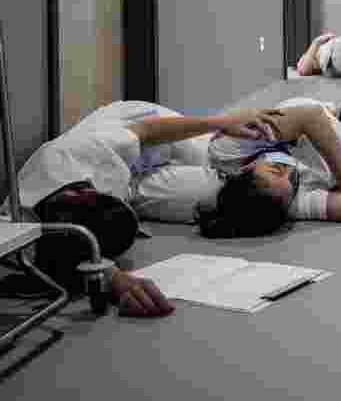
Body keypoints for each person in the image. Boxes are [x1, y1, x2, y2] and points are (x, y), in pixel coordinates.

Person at [12, 101, 284, 317]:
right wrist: (114, 278)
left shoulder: (84, 149)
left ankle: (285, 162)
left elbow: (145, 131)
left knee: (225, 151)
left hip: (148, 132)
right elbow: (68, 239)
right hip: (133, 182)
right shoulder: (21, 219)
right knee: (230, 195)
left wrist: (223, 121)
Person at [197, 101, 341, 252]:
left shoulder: (226, 151)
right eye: (293, 181)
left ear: (244, 171)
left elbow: (311, 115)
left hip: (309, 119)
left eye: (276, 170)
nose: (289, 172)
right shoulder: (288, 202)